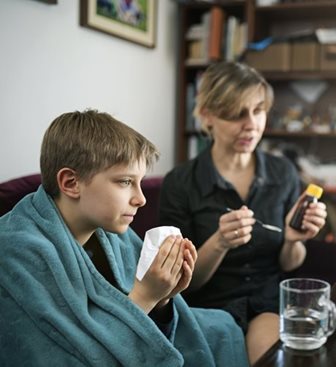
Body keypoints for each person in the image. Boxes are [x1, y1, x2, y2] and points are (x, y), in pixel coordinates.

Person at [0, 110, 248, 367]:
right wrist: (145, 296)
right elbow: (60, 356)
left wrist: (163, 299)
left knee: (224, 327)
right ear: (71, 182)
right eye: (125, 182)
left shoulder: (113, 232)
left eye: (140, 182)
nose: (141, 199)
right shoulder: (15, 250)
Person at [159, 61, 327, 364]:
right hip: (208, 308)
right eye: (237, 114)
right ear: (207, 116)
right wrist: (219, 242)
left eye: (258, 110)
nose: (251, 124)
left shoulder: (283, 173)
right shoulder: (181, 183)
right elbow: (181, 282)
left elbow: (290, 265)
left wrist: (292, 240)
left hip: (268, 304)